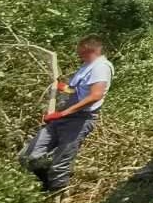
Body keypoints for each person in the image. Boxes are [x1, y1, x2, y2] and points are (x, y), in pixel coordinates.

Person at [20, 37, 114, 194]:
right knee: (29, 156)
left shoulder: (101, 67)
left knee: (61, 164)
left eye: (82, 53)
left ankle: (57, 196)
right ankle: (47, 184)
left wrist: (61, 113)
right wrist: (63, 88)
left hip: (79, 120)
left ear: (91, 50)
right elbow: (77, 91)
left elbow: (95, 96)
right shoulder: (87, 66)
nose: (79, 55)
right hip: (63, 118)